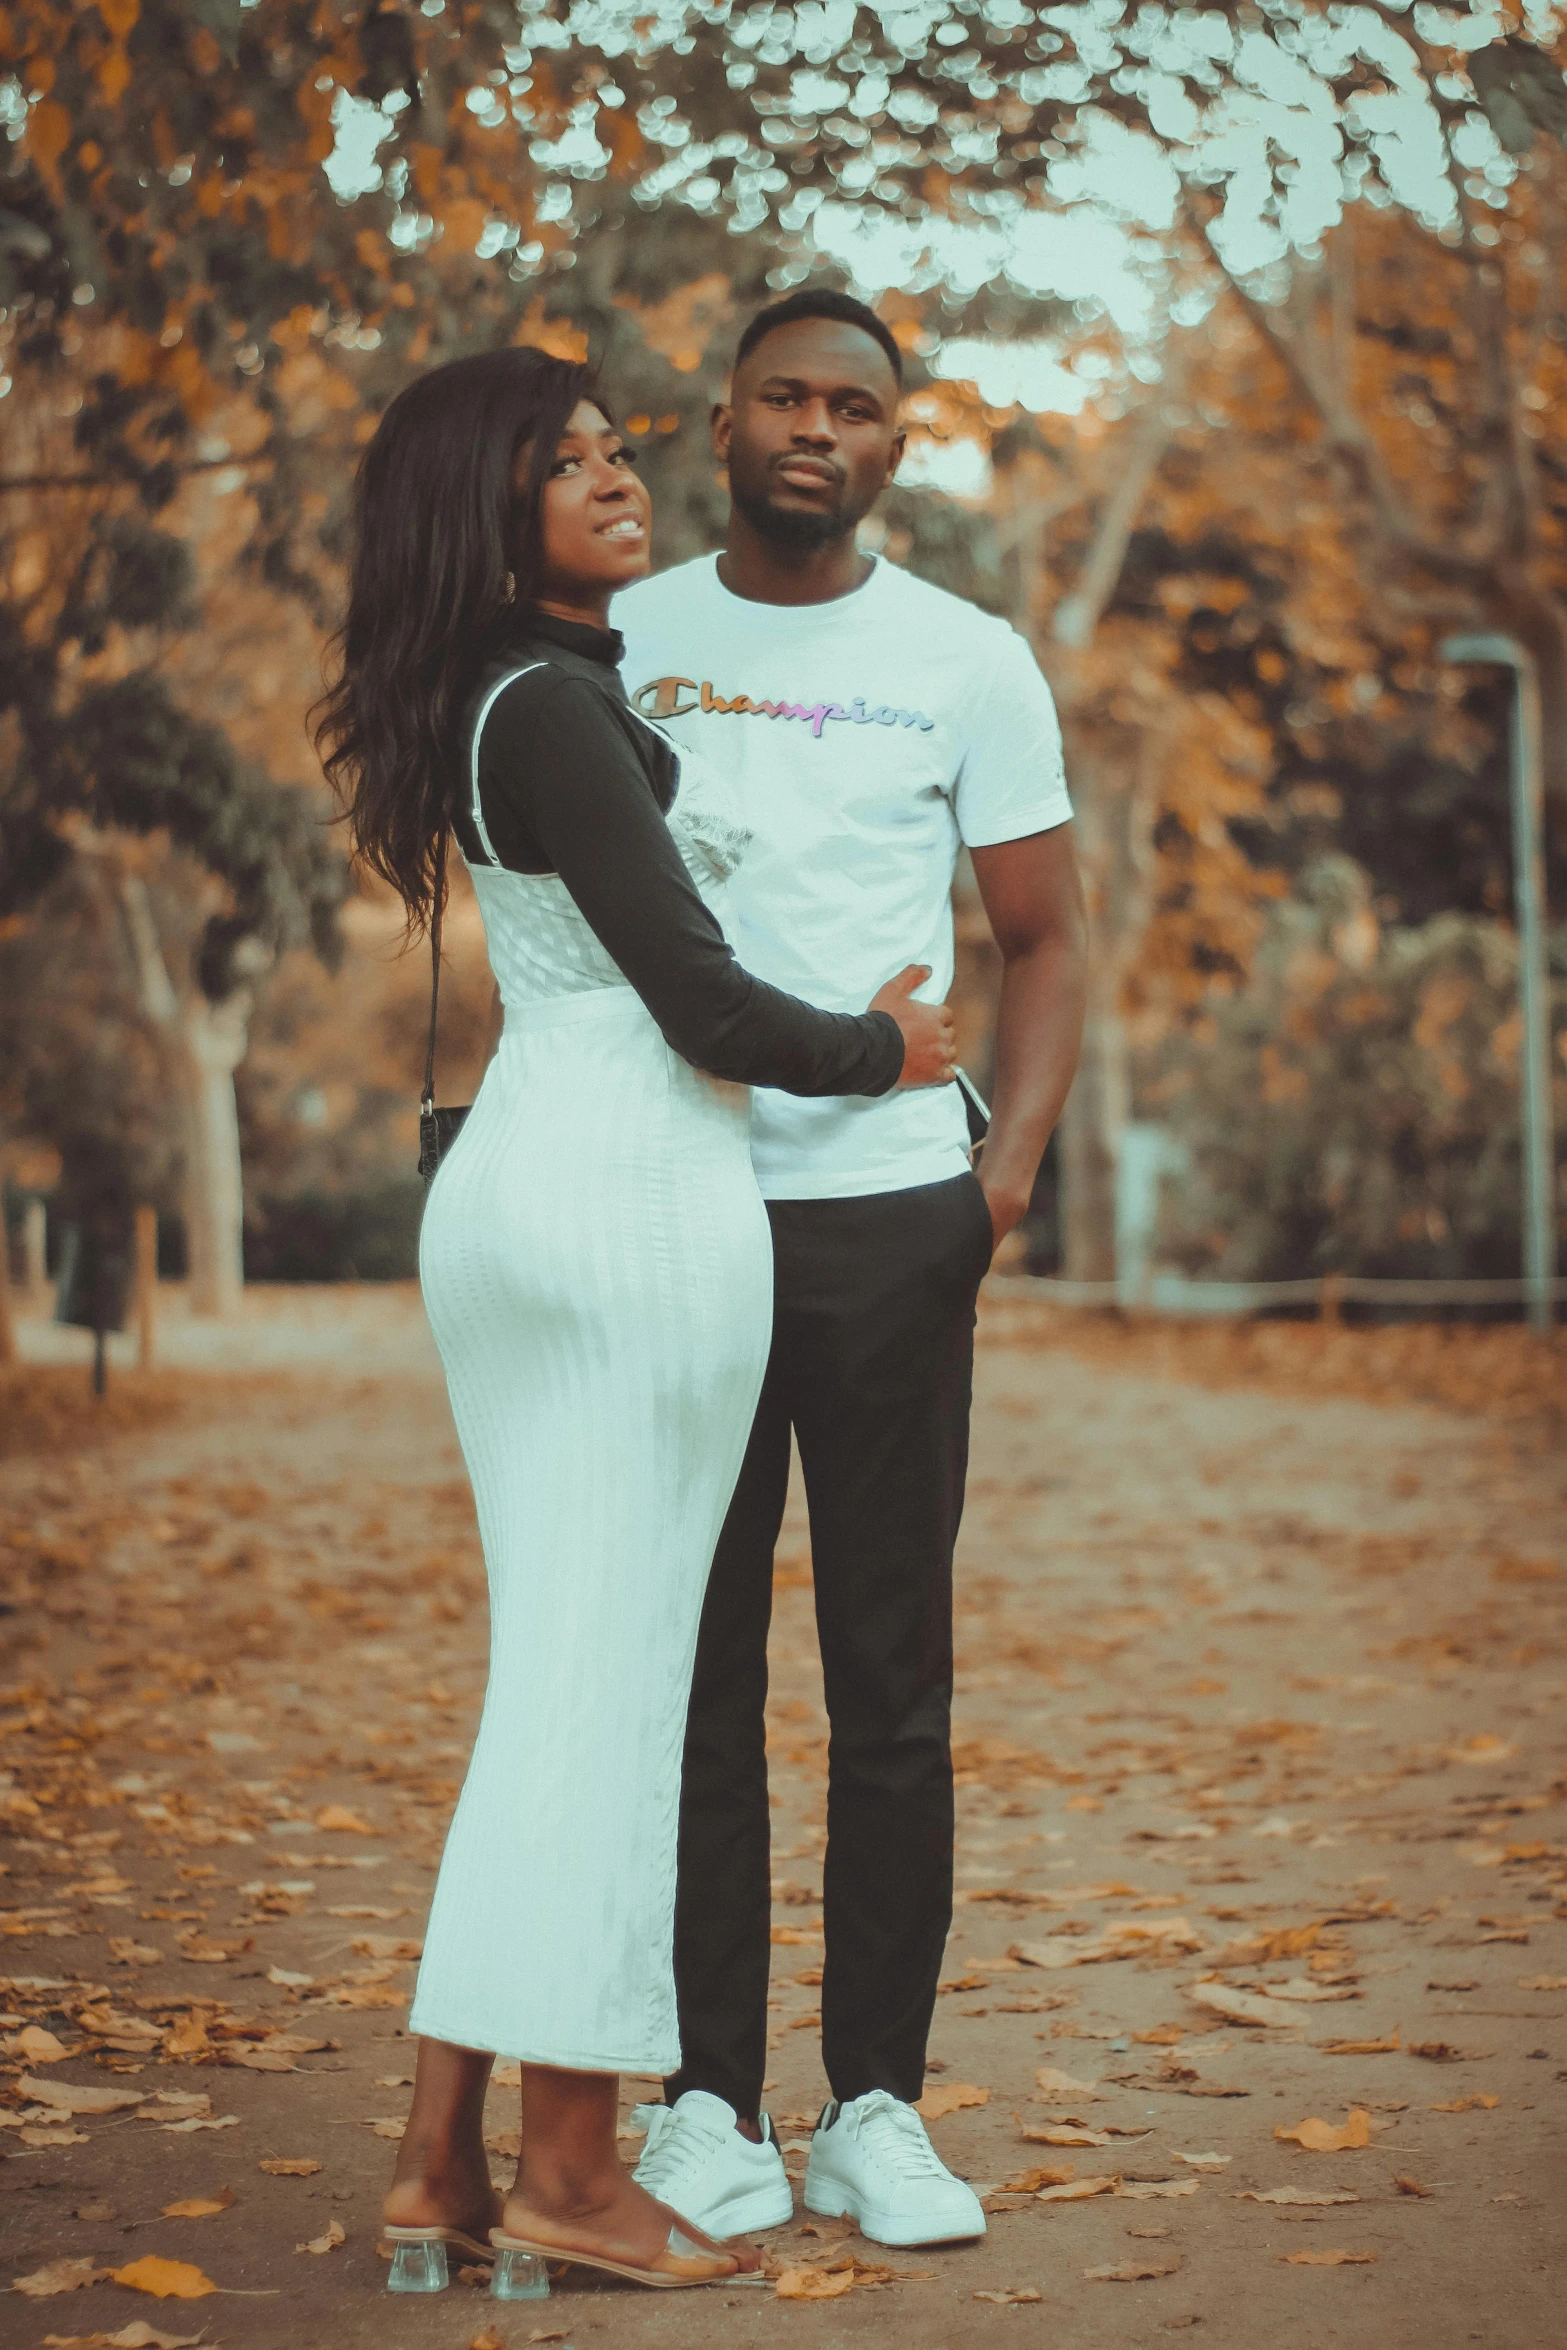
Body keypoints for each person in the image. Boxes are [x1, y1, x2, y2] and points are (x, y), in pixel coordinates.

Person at [314, 344, 958, 2294]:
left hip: (554, 1179)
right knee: (600, 1699)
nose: (614, 477)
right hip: (623, 1203)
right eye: (561, 461)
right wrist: (893, 1044)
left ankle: (443, 2156)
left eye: (611, 448)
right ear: (482, 508)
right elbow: (702, 997)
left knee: (563, 1687)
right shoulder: (554, 708)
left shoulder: (524, 692)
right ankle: (574, 2169)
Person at [616, 289, 1087, 2249]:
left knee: (888, 1681)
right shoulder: (624, 641)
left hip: (895, 1214)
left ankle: (875, 2102)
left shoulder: (966, 659)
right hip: (675, 1205)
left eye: (858, 407)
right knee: (688, 1678)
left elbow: (1047, 937)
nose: (820, 429)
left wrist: (1003, 1179)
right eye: (788, 397)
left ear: (898, 443)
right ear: (718, 416)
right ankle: (703, 2098)